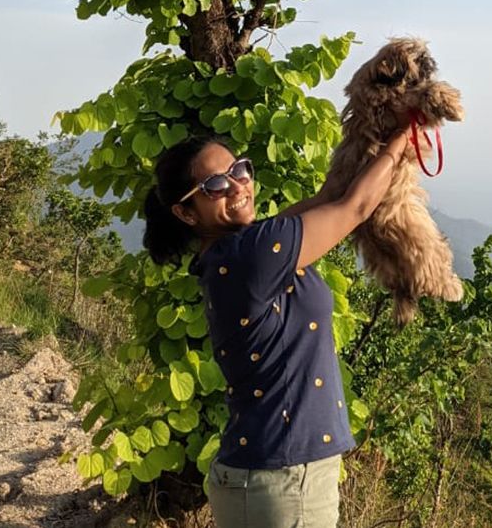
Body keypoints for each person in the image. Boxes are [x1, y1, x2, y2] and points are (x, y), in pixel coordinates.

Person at [142, 128, 409, 528]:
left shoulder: (240, 250)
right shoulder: (251, 254)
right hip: (285, 482)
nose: (236, 187)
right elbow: (355, 207)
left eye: (239, 170)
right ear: (186, 212)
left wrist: (374, 132)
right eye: (214, 185)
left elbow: (328, 197)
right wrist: (405, 138)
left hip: (273, 476)